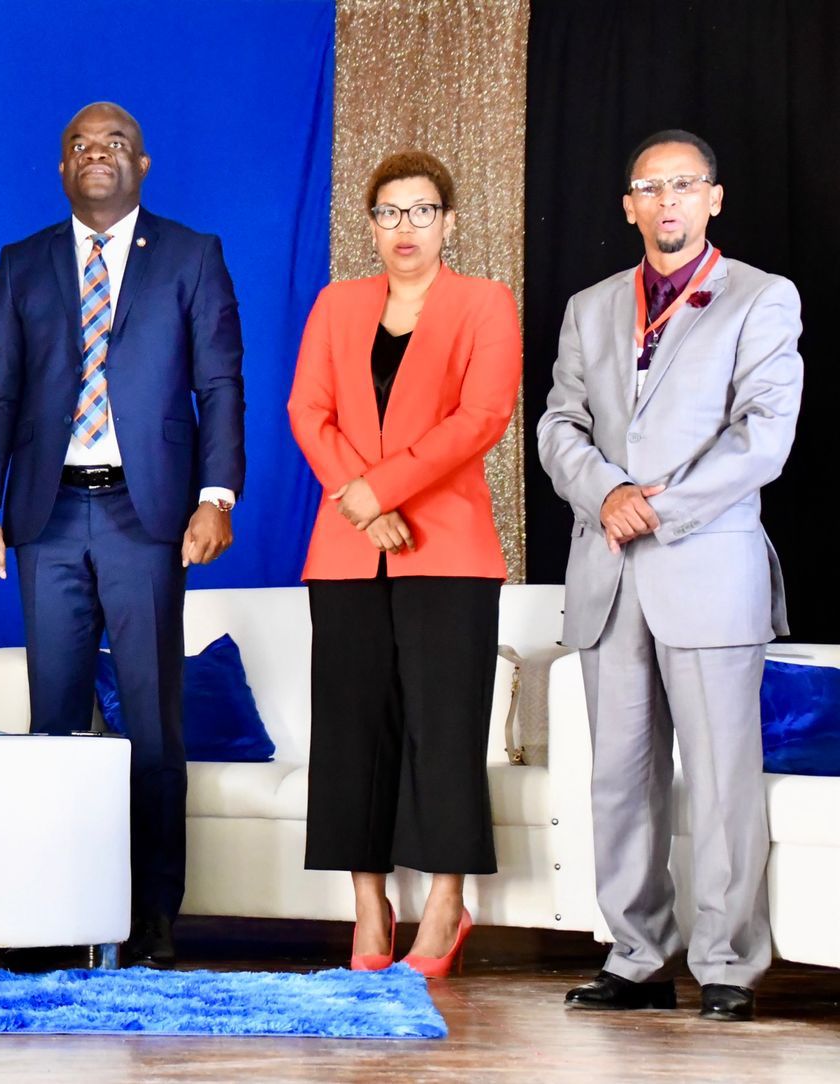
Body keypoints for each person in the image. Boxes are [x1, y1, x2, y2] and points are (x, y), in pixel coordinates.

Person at [0, 102, 244, 967]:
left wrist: (217, 496)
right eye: (81, 145)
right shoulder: (22, 263)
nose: (98, 154)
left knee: (152, 726)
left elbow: (220, 386)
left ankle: (153, 918)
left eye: (116, 143)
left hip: (146, 516)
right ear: (61, 168)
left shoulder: (192, 255)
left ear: (142, 164)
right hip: (45, 518)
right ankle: (56, 916)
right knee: (53, 722)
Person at [539, 129, 802, 1022]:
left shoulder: (761, 298)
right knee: (619, 779)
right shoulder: (590, 307)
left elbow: (763, 436)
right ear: (629, 207)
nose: (668, 202)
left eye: (683, 185)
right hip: (609, 572)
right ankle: (636, 956)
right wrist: (607, 492)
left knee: (723, 780)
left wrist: (659, 506)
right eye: (650, 188)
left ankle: (728, 963)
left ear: (713, 199)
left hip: (708, 569)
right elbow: (559, 424)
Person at [287, 150, 522, 979]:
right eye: (389, 212)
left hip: (449, 549)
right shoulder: (336, 304)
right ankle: (369, 905)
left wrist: (380, 490)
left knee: (444, 730)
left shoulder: (484, 303)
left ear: (448, 222)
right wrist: (360, 500)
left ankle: (447, 903)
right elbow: (308, 409)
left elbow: (482, 416)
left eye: (422, 211)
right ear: (372, 226)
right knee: (352, 731)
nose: (405, 227)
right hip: (346, 551)